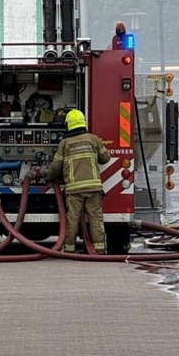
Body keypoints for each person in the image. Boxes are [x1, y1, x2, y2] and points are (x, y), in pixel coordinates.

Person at [46, 108, 110, 254]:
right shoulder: (93, 139)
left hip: (74, 190)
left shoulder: (65, 143)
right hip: (93, 188)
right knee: (95, 219)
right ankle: (100, 250)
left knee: (72, 220)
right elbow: (105, 158)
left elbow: (56, 166)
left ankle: (69, 250)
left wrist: (48, 177)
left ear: (68, 125)